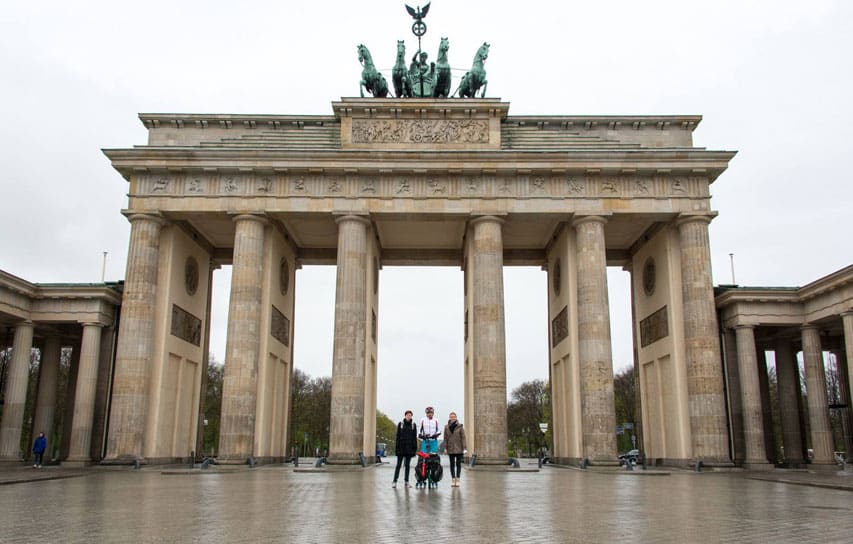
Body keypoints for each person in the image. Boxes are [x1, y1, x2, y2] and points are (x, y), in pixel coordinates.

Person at [393, 410, 418, 488]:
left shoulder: (413, 425)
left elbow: (414, 438)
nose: (408, 416)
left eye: (410, 415)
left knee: (407, 466)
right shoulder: (401, 424)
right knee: (398, 465)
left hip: (409, 449)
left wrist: (414, 449)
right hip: (401, 448)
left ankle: (406, 482)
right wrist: (396, 449)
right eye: (407, 415)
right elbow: (397, 437)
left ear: (411, 416)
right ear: (405, 416)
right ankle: (394, 481)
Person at [443, 412, 466, 487]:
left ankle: (458, 479)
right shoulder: (446, 427)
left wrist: (464, 448)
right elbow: (445, 438)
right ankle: (453, 479)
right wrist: (445, 448)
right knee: (452, 464)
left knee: (458, 464)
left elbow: (463, 438)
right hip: (450, 448)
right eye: (451, 417)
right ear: (449, 418)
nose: (452, 418)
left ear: (456, 418)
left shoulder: (460, 426)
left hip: (459, 448)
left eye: (454, 417)